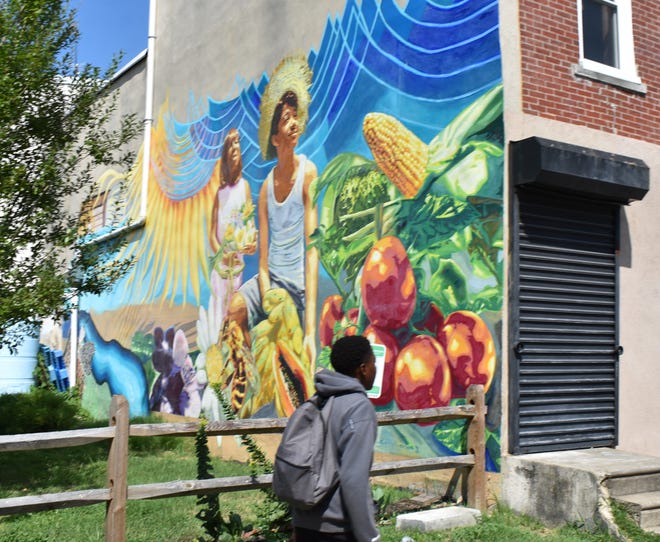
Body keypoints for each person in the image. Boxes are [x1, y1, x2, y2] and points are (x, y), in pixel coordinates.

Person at [225, 55, 319, 364]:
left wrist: (309, 332)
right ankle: (248, 378)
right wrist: (266, 301)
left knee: (290, 359)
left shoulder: (308, 174)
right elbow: (262, 264)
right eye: (285, 120)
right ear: (275, 138)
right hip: (272, 284)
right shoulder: (265, 188)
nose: (294, 124)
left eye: (294, 116)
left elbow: (312, 251)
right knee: (235, 308)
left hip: (298, 291)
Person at [293, 335, 381, 542]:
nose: (375, 370)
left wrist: (298, 525)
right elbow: (354, 479)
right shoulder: (359, 407)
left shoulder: (318, 400)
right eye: (373, 363)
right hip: (338, 528)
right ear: (363, 369)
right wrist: (369, 536)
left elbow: (302, 463)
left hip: (305, 523)